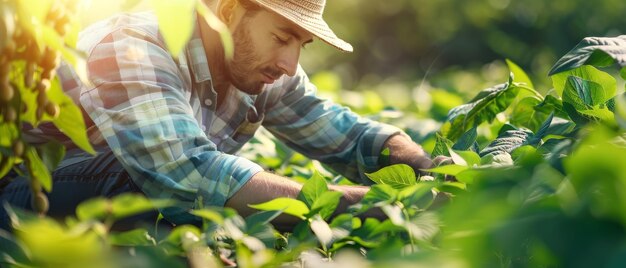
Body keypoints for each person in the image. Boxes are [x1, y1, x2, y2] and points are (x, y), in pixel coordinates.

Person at [0, 0, 437, 229]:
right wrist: (351, 204)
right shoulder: (132, 45)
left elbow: (342, 133)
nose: (289, 63)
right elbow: (186, 173)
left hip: (102, 199)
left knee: (240, 193)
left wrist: (422, 167)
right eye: (282, 37)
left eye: (300, 45)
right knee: (151, 179)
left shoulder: (265, 67)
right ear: (228, 11)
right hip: (19, 200)